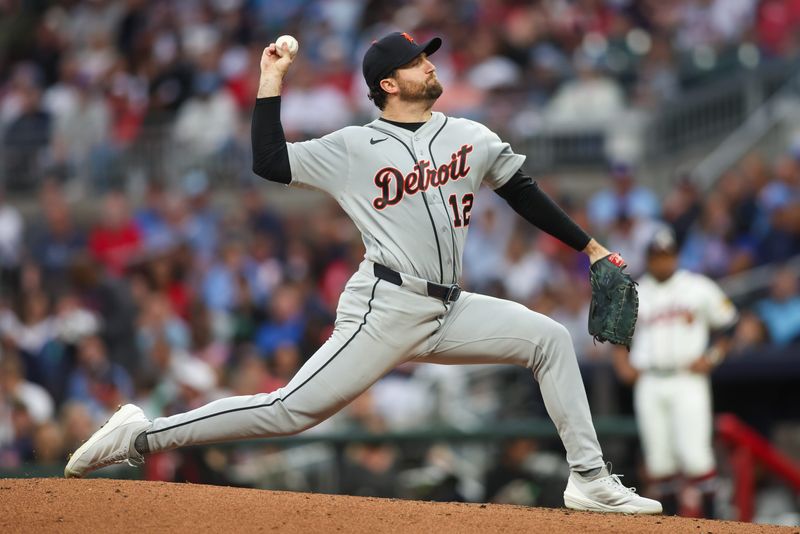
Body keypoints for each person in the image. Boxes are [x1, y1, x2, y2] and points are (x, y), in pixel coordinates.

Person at [65, 32, 661, 515]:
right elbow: (269, 161)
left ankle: (588, 479)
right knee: (290, 411)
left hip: (450, 307)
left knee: (550, 339)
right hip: (385, 305)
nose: (429, 66)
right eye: (417, 62)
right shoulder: (354, 146)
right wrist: (271, 81)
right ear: (388, 83)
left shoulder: (469, 135)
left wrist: (592, 249)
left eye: (428, 57)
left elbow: (522, 191)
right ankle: (139, 436)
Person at [612, 228, 738, 517]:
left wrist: (713, 356)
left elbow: (730, 322)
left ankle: (712, 522)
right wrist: (622, 365)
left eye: (666, 256)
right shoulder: (635, 291)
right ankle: (669, 524)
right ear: (648, 259)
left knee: (696, 458)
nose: (661, 262)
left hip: (687, 377)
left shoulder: (697, 287)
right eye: (656, 257)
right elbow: (617, 335)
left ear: (676, 256)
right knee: (659, 463)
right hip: (650, 379)